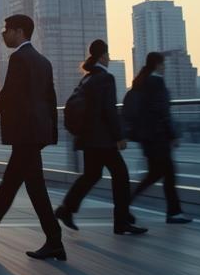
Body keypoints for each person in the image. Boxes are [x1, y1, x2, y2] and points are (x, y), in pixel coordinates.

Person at [0, 15, 65, 260]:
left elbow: (7, 96)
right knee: (29, 187)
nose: (3, 34)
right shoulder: (43, 61)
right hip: (36, 133)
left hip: (25, 133)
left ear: (19, 32)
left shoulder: (19, 58)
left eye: (6, 30)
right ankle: (50, 241)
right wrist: (51, 133)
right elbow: (51, 100)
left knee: (16, 185)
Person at [55, 39, 147, 236]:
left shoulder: (87, 78)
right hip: (103, 139)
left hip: (88, 138)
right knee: (121, 176)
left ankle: (66, 208)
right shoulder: (106, 78)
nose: (109, 58)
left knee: (92, 174)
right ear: (103, 56)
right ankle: (121, 221)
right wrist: (119, 136)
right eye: (108, 55)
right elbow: (109, 110)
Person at [126, 51, 193, 225]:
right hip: (158, 137)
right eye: (163, 64)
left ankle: (125, 204)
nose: (164, 67)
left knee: (154, 174)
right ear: (157, 64)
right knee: (168, 173)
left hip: (146, 137)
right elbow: (163, 112)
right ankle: (174, 213)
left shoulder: (140, 82)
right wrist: (172, 134)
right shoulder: (156, 82)